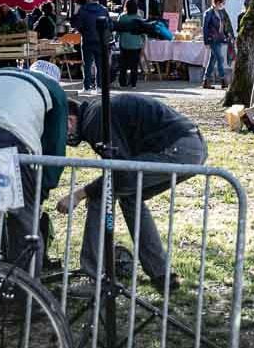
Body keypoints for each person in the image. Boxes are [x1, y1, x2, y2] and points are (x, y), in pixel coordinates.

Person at [58, 94, 207, 293]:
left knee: (101, 195)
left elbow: (120, 171)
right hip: (190, 146)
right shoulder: (96, 113)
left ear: (70, 119)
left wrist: (80, 193)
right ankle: (161, 275)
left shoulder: (95, 120)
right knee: (129, 196)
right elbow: (122, 171)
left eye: (62, 130)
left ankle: (94, 276)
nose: (65, 137)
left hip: (177, 148)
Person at [0, 66, 67, 271]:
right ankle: (24, 291)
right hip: (11, 138)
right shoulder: (54, 89)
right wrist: (44, 186)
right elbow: (56, 143)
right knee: (23, 221)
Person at [72, 0, 109, 95]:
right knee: (99, 65)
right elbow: (109, 25)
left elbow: (76, 24)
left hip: (87, 40)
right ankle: (100, 87)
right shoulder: (104, 10)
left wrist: (82, 31)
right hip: (100, 40)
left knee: (87, 64)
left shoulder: (83, 10)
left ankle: (87, 87)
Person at [201, 0, 234, 89]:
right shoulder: (208, 13)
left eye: (224, 3)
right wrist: (206, 42)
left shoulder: (222, 12)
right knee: (220, 58)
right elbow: (205, 28)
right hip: (212, 39)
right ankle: (223, 79)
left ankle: (206, 80)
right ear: (217, 2)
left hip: (219, 38)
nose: (223, 5)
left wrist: (228, 34)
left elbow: (225, 24)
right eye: (222, 3)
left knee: (213, 59)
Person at [115, 0, 146, 88]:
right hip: (136, 45)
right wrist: (143, 42)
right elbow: (143, 33)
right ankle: (133, 84)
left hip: (124, 44)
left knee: (123, 66)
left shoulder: (122, 17)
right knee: (134, 66)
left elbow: (118, 30)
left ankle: (122, 83)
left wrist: (115, 39)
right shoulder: (139, 18)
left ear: (126, 6)